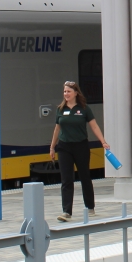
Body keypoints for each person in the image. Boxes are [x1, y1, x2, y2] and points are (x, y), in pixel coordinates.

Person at [49, 81, 109, 222]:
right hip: (64, 147)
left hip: (81, 146)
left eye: (69, 91)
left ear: (76, 93)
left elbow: (94, 126)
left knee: (85, 177)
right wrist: (52, 147)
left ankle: (90, 206)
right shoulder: (60, 109)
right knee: (66, 179)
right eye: (64, 91)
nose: (66, 94)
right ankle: (66, 211)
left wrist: (103, 141)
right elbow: (57, 129)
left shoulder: (84, 109)